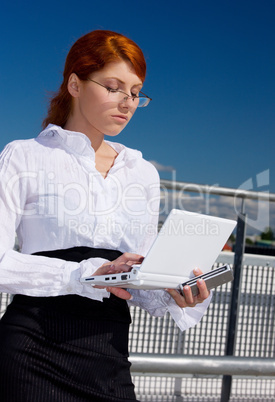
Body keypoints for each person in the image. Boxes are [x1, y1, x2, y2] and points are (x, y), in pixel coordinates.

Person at [0, 30, 211, 401]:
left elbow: (138, 275)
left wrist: (174, 291)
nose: (127, 102)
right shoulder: (23, 157)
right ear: (75, 84)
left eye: (134, 92)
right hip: (31, 351)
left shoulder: (141, 172)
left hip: (109, 358)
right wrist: (82, 273)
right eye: (113, 87)